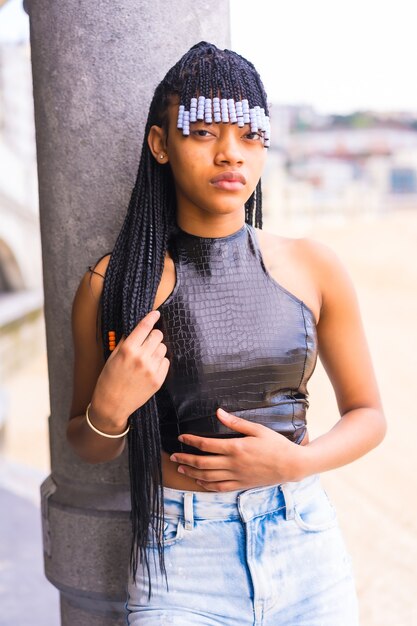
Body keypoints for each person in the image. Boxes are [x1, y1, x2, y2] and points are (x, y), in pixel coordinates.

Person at [67, 41, 386, 625]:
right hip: (180, 562)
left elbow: (369, 415)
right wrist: (108, 412)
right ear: (161, 144)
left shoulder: (314, 267)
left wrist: (296, 464)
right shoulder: (111, 286)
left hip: (305, 546)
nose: (230, 155)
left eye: (249, 135)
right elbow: (86, 446)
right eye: (203, 132)